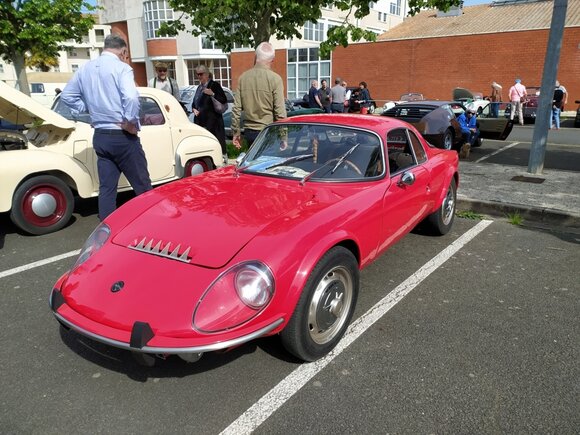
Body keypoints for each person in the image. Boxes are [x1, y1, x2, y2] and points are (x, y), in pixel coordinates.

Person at [61, 34, 152, 221]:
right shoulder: (122, 68)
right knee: (142, 185)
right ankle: (151, 222)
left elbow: (67, 96)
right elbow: (131, 97)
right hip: (122, 135)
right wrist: (130, 121)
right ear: (123, 51)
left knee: (107, 188)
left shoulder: (85, 69)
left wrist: (89, 109)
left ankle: (107, 225)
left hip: (100, 135)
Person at [232, 42, 287, 149]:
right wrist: (283, 136)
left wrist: (236, 132)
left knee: (253, 159)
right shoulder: (275, 79)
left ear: (256, 56)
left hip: (249, 131)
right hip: (268, 131)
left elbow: (236, 109)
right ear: (272, 60)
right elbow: (280, 112)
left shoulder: (243, 78)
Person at [191, 64, 228, 161]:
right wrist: (194, 109)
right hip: (201, 123)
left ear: (207, 74)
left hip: (214, 123)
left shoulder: (214, 85)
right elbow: (195, 102)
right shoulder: (199, 88)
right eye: (197, 74)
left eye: (201, 74)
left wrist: (213, 94)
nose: (199, 76)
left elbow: (223, 99)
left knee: (216, 146)